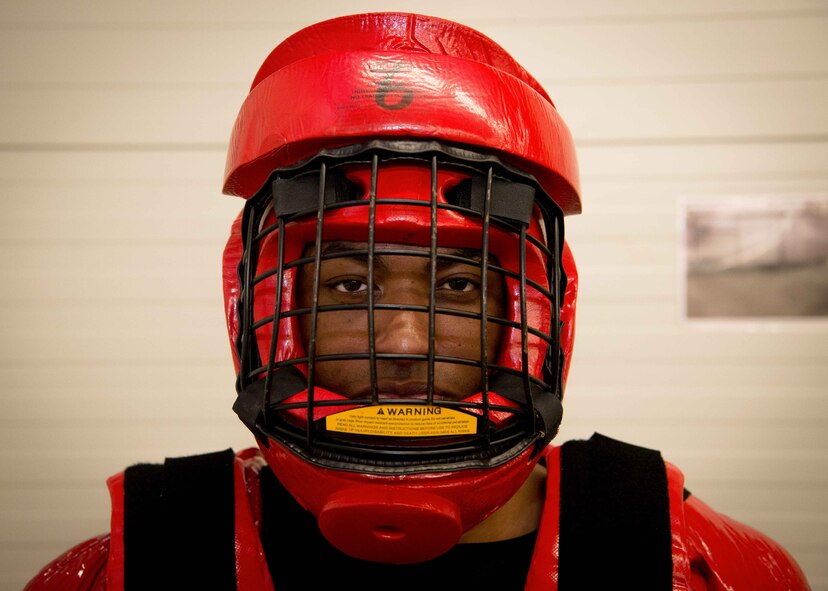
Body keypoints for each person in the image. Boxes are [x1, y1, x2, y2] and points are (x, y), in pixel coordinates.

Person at [26, 12, 810, 591]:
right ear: (263, 305)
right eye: (348, 284)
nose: (403, 338)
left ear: (536, 312)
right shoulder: (137, 561)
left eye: (459, 284)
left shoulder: (691, 563)